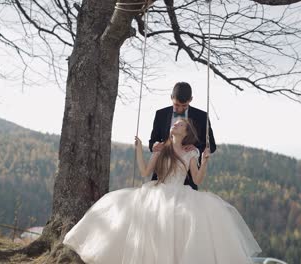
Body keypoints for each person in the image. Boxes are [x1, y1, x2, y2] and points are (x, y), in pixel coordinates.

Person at [63, 119, 261, 264]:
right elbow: (144, 172)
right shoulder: (160, 149)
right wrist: (140, 149)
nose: (175, 125)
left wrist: (205, 161)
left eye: (180, 125)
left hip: (180, 193)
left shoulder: (191, 152)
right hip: (157, 193)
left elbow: (198, 179)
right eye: (174, 123)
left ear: (186, 133)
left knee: (184, 225)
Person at [149, 82, 216, 190]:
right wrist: (155, 145)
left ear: (191, 99)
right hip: (161, 180)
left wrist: (197, 150)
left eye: (184, 105)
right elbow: (152, 141)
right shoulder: (160, 114)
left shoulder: (202, 116)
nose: (180, 109)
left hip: (188, 181)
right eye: (176, 105)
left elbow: (211, 145)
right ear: (171, 98)